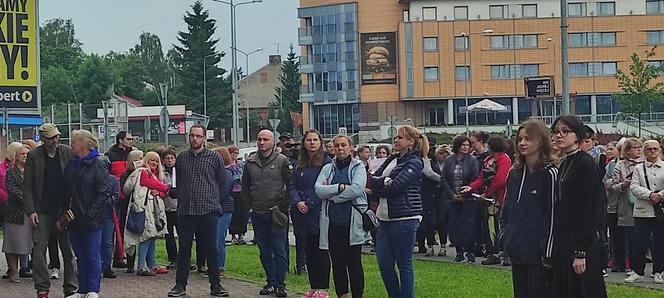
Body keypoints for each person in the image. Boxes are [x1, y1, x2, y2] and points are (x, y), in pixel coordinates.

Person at [546, 116, 607, 297]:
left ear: (577, 135)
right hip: (564, 239)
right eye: (556, 131)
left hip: (582, 242)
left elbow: (592, 209)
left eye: (565, 131)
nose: (559, 135)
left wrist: (581, 251)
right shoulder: (565, 162)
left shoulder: (586, 164)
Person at [168, 124, 227, 297]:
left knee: (211, 248)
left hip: (208, 209)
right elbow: (177, 182)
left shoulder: (214, 158)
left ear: (204, 138)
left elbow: (223, 183)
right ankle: (180, 286)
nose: (194, 139)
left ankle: (215, 285)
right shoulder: (182, 158)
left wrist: (214, 200)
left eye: (198, 136)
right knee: (184, 248)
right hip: (186, 210)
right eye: (192, 135)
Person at [500, 120, 557, 298]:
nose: (523, 143)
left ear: (541, 141)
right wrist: (505, 236)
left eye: (528, 139)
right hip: (517, 248)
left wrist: (547, 252)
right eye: (520, 139)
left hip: (539, 253)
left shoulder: (550, 173)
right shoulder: (514, 173)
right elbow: (506, 208)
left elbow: (553, 215)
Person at [370, 126, 426, 298]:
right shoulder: (392, 158)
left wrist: (381, 186)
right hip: (384, 216)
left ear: (410, 142)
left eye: (400, 138)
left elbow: (396, 187)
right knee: (385, 264)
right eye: (395, 137)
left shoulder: (415, 162)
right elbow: (372, 179)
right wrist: (383, 182)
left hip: (405, 216)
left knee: (404, 264)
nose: (396, 140)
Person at [23, 123, 78, 298]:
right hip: (42, 209)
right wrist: (31, 211)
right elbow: (28, 186)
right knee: (39, 248)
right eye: (51, 137)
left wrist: (72, 207)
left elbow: (75, 180)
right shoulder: (34, 156)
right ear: (43, 139)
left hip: (64, 208)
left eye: (56, 136)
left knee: (68, 251)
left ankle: (70, 288)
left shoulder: (67, 152)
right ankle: (42, 288)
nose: (55, 140)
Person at [315, 134, 369, 298]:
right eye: (337, 145)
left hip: (352, 223)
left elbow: (357, 189)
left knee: (354, 264)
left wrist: (334, 197)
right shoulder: (327, 168)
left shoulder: (358, 166)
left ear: (350, 147)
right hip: (332, 224)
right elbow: (318, 189)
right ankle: (342, 295)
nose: (340, 149)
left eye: (343, 145)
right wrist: (339, 187)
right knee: (337, 264)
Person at [241, 129, 292, 297]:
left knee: (279, 250)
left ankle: (280, 284)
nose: (261, 142)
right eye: (259, 139)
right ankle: (270, 282)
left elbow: (290, 185)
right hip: (257, 212)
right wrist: (248, 207)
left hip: (276, 212)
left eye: (265, 139)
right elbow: (245, 187)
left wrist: (282, 206)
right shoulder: (250, 162)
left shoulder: (282, 161)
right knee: (264, 250)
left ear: (273, 142)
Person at [62, 130, 111, 298]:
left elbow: (102, 192)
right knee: (80, 255)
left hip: (92, 218)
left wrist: (91, 213)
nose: (71, 145)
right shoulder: (73, 163)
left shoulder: (99, 162)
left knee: (91, 254)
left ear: (83, 144)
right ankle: (82, 289)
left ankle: (93, 289)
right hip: (74, 217)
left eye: (74, 142)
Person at [288, 129, 332, 298]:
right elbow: (291, 184)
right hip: (300, 211)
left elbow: (325, 185)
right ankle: (313, 286)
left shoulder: (326, 162)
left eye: (315, 140)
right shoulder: (299, 163)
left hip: (318, 210)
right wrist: (297, 201)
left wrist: (309, 202)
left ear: (320, 142)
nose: (312, 143)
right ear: (303, 143)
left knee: (320, 249)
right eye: (308, 140)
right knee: (308, 249)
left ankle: (323, 287)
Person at [461, 136, 512, 266]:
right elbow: (482, 178)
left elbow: (501, 179)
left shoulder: (504, 159)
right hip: (490, 199)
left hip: (501, 198)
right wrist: (471, 187)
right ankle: (493, 252)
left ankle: (506, 253)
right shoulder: (488, 160)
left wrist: (486, 193)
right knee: (491, 226)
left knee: (503, 225)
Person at [124, 152, 169, 277]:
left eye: (156, 161)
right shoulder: (143, 172)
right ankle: (141, 266)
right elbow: (152, 184)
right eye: (152, 160)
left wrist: (160, 192)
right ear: (146, 161)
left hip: (154, 210)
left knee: (152, 237)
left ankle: (151, 264)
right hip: (145, 209)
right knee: (145, 237)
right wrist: (165, 188)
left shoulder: (155, 175)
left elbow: (162, 193)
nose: (154, 163)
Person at [627, 139, 664, 284]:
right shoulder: (638, 168)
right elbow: (634, 186)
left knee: (660, 242)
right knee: (639, 242)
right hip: (642, 211)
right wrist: (649, 194)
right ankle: (637, 271)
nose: (653, 151)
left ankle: (659, 271)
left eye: (655, 149)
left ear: (660, 150)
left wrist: (659, 195)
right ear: (644, 151)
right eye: (649, 149)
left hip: (660, 210)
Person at [442, 135, 480, 263]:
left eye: (467, 145)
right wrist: (452, 195)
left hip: (468, 199)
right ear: (457, 146)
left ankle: (470, 252)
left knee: (469, 225)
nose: (465, 147)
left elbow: (475, 178)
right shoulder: (449, 160)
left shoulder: (473, 160)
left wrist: (465, 194)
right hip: (452, 198)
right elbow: (444, 179)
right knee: (454, 225)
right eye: (463, 145)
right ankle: (459, 252)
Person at [607, 138, 639, 273]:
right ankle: (620, 262)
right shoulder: (619, 166)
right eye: (635, 147)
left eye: (639, 147)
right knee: (619, 236)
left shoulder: (644, 164)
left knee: (636, 237)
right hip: (622, 204)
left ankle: (635, 263)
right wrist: (623, 184)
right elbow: (612, 185)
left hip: (641, 204)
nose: (638, 149)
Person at [3, 143, 32, 283]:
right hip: (14, 212)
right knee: (12, 243)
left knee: (30, 243)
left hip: (31, 212)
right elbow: (11, 190)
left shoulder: (33, 172)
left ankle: (31, 268)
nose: (25, 156)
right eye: (22, 154)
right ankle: (13, 271)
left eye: (27, 154)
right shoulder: (10, 172)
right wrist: (27, 199)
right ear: (16, 156)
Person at [119, 149, 144, 273]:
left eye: (142, 158)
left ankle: (143, 262)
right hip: (128, 208)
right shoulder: (125, 175)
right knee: (129, 235)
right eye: (137, 159)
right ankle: (130, 262)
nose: (140, 161)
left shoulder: (145, 173)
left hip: (141, 207)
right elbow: (124, 191)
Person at [214, 147, 235, 278]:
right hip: (216, 207)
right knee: (214, 238)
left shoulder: (227, 173)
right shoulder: (219, 172)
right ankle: (214, 265)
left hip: (224, 208)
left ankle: (220, 267)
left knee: (219, 238)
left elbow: (224, 192)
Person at [161, 147, 179, 270]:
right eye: (167, 158)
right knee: (169, 235)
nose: (170, 160)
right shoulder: (161, 172)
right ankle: (172, 258)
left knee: (183, 234)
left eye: (172, 158)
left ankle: (183, 258)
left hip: (178, 206)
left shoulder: (179, 171)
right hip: (166, 207)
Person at [100, 175, 120, 279]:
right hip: (93, 214)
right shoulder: (94, 177)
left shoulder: (113, 180)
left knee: (107, 241)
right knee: (95, 241)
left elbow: (115, 196)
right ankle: (96, 267)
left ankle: (107, 267)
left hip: (108, 214)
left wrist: (101, 202)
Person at [228, 146, 248, 245]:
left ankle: (241, 234)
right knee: (234, 214)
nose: (235, 155)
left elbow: (243, 177)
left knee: (242, 213)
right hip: (231, 192)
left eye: (237, 153)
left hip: (241, 191)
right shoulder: (226, 166)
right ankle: (233, 235)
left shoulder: (240, 165)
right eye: (233, 153)